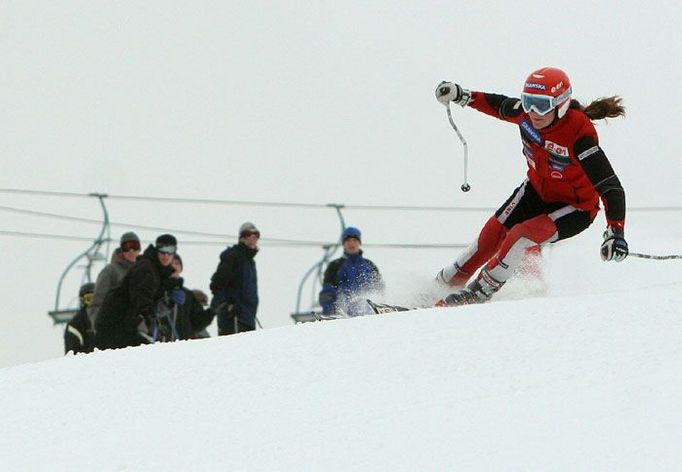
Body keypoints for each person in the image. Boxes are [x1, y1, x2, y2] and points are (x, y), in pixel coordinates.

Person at [434, 67, 628, 306]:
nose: (534, 112)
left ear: (561, 105)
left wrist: (615, 232)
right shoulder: (526, 116)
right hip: (535, 192)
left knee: (521, 236)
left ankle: (478, 292)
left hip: (575, 208)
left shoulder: (579, 135)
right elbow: (499, 105)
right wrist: (462, 95)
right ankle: (436, 290)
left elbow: (611, 187)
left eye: (542, 105)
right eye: (528, 102)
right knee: (489, 238)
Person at [94, 234, 178, 350]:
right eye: (162, 251)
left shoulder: (156, 270)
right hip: (115, 325)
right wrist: (155, 320)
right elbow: (141, 300)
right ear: (156, 250)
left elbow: (149, 302)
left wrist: (168, 301)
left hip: (128, 326)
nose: (166, 255)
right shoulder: (144, 268)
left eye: (170, 251)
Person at [319, 226, 384, 317]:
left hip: (371, 313)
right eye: (348, 241)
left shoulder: (370, 265)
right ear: (343, 244)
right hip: (346, 315)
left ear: (359, 242)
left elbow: (380, 288)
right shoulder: (335, 266)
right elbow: (327, 294)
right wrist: (331, 313)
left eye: (355, 240)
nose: (351, 243)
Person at [209, 222, 260, 335]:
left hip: (247, 317)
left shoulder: (250, 262)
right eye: (248, 234)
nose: (253, 238)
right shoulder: (233, 256)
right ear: (241, 238)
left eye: (256, 235)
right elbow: (217, 284)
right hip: (232, 317)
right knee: (234, 350)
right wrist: (227, 305)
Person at [87, 232, 141, 328]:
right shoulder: (110, 272)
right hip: (117, 330)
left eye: (135, 246)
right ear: (122, 250)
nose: (131, 251)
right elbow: (96, 303)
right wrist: (100, 328)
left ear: (139, 249)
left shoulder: (143, 272)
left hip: (141, 330)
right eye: (126, 247)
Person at [170, 253, 215, 340]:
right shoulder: (158, 289)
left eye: (177, 263)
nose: (174, 266)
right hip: (162, 344)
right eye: (171, 263)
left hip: (185, 343)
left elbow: (197, 323)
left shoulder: (188, 295)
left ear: (181, 268)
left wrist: (211, 311)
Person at [64, 282, 96, 355]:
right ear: (82, 301)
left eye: (97, 298)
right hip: (87, 363)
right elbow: (72, 352)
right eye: (89, 299)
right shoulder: (76, 324)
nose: (94, 302)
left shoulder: (108, 318)